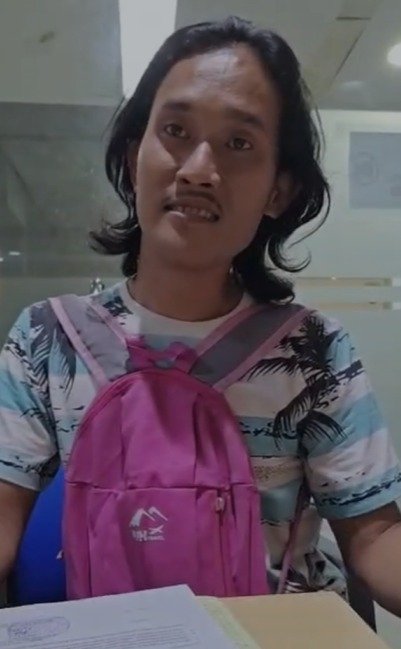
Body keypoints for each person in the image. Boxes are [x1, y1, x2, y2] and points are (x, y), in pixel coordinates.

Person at [1, 16, 401, 613]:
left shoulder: (313, 349)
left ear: (278, 190)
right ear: (135, 157)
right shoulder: (48, 338)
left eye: (239, 143)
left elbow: (375, 538)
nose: (197, 170)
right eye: (175, 130)